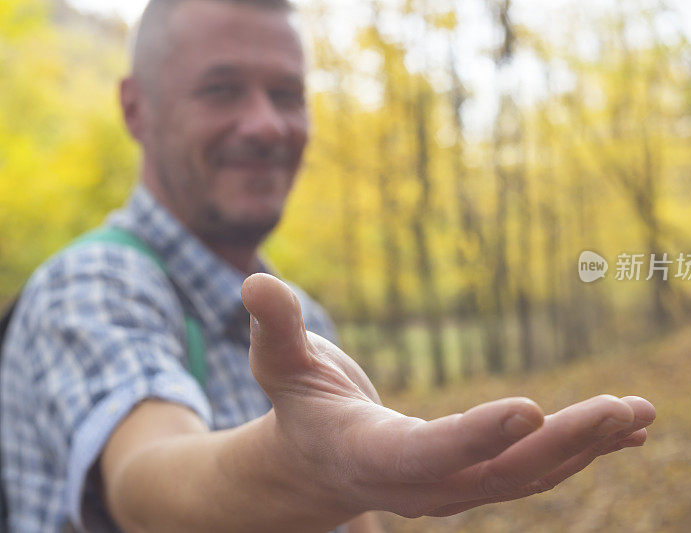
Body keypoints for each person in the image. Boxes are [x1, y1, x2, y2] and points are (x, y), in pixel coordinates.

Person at [0, 0, 656, 531]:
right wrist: (309, 469)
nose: (264, 124)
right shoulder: (89, 285)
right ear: (136, 108)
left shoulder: (304, 318)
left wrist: (358, 486)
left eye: (287, 94)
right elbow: (146, 481)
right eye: (221, 89)